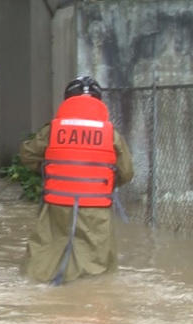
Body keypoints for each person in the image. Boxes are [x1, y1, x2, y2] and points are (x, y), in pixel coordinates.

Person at [18, 76, 135, 285]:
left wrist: (51, 172)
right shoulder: (111, 134)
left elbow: (27, 155)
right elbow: (126, 172)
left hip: (57, 205)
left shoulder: (53, 130)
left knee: (45, 254)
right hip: (96, 208)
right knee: (95, 264)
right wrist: (102, 181)